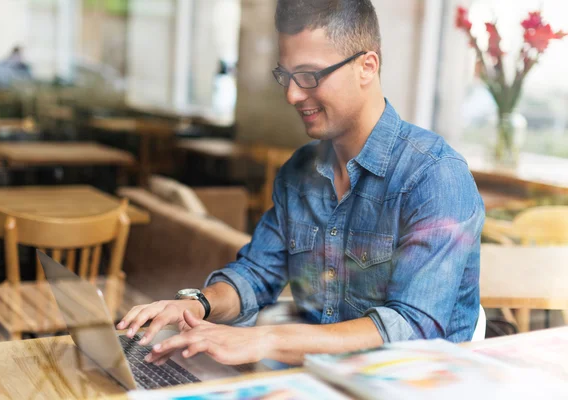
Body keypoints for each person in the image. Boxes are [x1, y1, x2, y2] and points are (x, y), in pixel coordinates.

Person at [117, 0, 485, 366]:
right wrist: (197, 304)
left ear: (366, 67)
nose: (292, 95)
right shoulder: (300, 171)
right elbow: (256, 274)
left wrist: (265, 340)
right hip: (317, 381)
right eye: (286, 76)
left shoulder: (434, 176)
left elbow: (412, 330)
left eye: (309, 76)